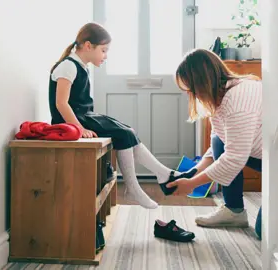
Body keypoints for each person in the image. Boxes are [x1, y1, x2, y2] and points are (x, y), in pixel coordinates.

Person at [48, 22, 195, 209]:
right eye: (103, 50)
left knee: (128, 131)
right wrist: (80, 128)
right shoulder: (68, 66)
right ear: (87, 46)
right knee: (124, 134)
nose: (105, 56)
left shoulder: (80, 65)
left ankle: (163, 173)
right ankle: (135, 187)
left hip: (83, 116)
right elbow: (61, 103)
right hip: (72, 121)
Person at [166, 48, 262, 239]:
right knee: (218, 140)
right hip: (262, 155)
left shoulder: (238, 99)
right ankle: (234, 211)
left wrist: (192, 184)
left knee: (266, 232)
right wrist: (192, 172)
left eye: (190, 89)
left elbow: (234, 158)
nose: (190, 95)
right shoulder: (221, 98)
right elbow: (216, 147)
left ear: (202, 83)